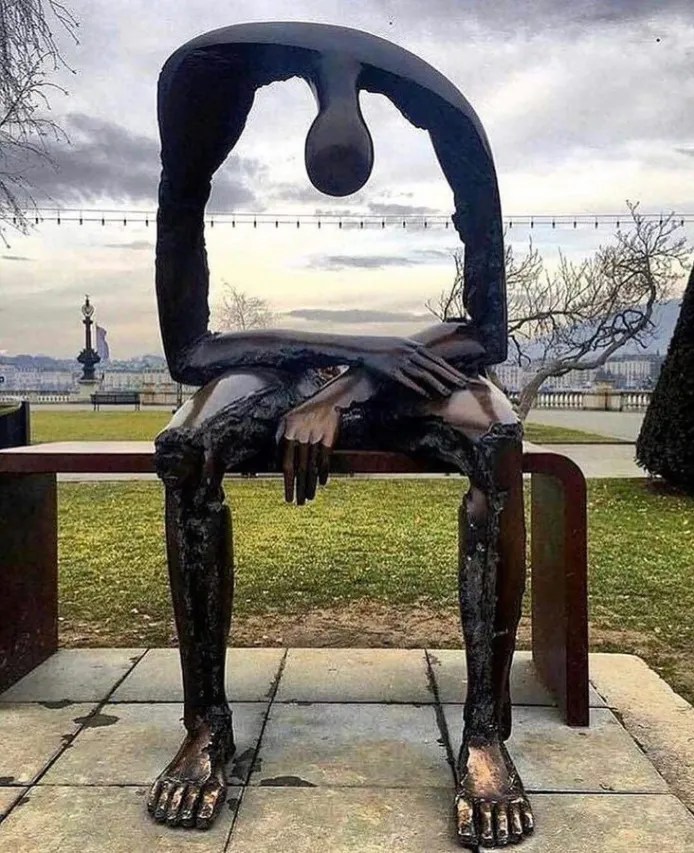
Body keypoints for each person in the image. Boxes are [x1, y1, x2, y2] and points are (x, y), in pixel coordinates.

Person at [148, 23, 533, 848]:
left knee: (498, 446)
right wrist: (353, 356)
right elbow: (191, 352)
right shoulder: (201, 84)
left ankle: (486, 733)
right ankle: (205, 724)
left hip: (416, 367)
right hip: (286, 364)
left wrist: (359, 382)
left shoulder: (449, 121)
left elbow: (487, 335)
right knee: (186, 451)